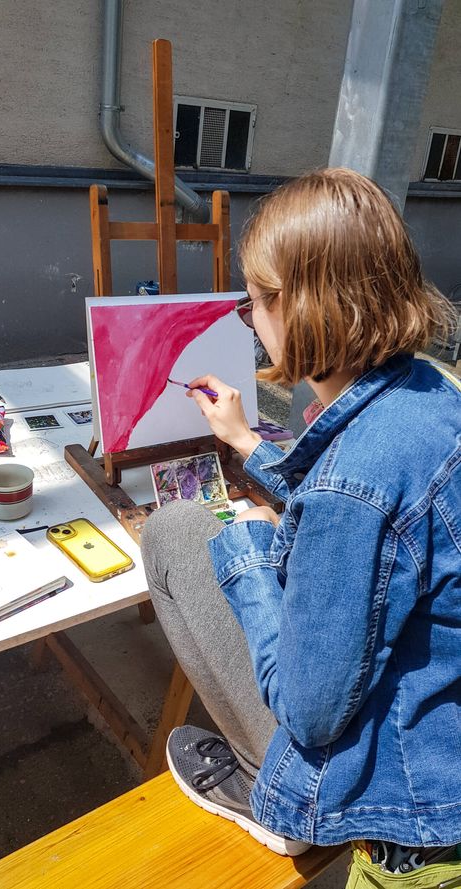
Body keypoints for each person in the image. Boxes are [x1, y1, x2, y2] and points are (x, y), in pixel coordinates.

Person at [141, 168, 461, 886]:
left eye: (254, 300)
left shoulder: (359, 484)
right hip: (443, 727)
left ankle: (275, 797)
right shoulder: (428, 394)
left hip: (407, 801)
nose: (249, 320)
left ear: (304, 307)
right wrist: (249, 444)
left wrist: (253, 556)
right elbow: (369, 498)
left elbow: (311, 713)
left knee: (176, 533)